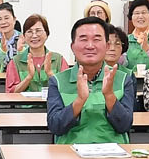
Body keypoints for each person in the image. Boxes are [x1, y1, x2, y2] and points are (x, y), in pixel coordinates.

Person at [46, 16, 135, 144]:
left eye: (96, 39)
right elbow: (55, 126)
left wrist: (109, 96)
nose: (90, 46)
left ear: (107, 46)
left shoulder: (123, 79)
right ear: (72, 47)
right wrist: (79, 100)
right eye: (83, 39)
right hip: (69, 153)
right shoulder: (58, 81)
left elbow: (125, 126)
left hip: (113, 153)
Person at [6, 14, 69, 93]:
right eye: (29, 32)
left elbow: (67, 90)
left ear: (47, 34)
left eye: (38, 31)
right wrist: (29, 77)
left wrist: (50, 74)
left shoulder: (59, 60)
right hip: (25, 101)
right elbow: (10, 93)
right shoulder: (15, 62)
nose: (34, 35)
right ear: (24, 36)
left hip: (52, 101)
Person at [120, 0, 149, 71]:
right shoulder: (126, 39)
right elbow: (122, 65)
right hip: (131, 77)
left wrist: (147, 48)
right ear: (131, 17)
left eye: (144, 13)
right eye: (136, 13)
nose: (140, 16)